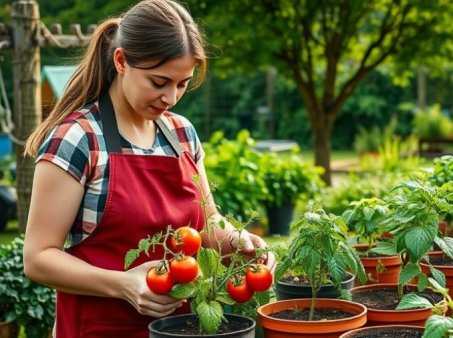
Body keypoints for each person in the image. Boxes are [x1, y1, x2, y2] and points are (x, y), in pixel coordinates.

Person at [22, 1, 274, 337]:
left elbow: (208, 221)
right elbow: (38, 258)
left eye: (182, 84)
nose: (170, 97)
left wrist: (237, 240)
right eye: (158, 82)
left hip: (181, 328)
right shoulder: (78, 139)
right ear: (122, 61)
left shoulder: (181, 134)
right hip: (99, 328)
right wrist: (123, 284)